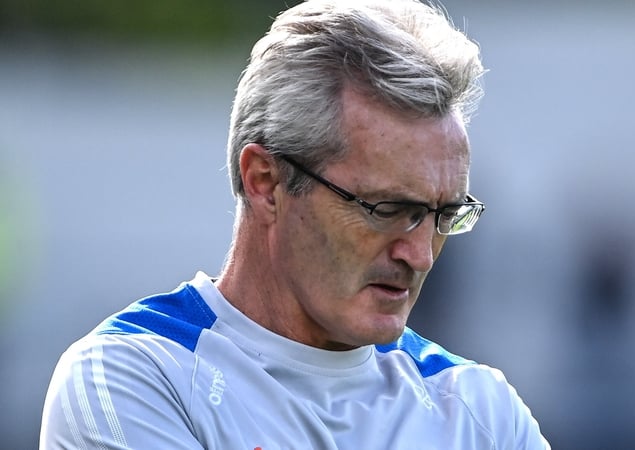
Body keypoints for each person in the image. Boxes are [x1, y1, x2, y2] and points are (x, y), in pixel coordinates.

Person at [40, 0, 550, 448]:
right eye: (387, 209)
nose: (418, 254)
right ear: (265, 181)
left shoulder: (481, 411)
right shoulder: (133, 379)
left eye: (443, 216)